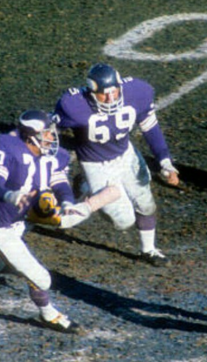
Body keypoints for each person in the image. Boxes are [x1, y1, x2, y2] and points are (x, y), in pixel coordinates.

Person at [53, 63, 180, 267]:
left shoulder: (136, 92)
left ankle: (148, 250)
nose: (111, 98)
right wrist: (56, 166)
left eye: (114, 92)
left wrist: (165, 161)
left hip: (126, 155)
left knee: (145, 203)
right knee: (123, 221)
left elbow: (150, 126)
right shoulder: (75, 105)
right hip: (96, 165)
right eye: (104, 94)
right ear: (92, 92)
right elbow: (52, 134)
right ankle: (85, 186)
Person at [0, 109, 81, 333]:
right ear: (31, 136)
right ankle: (49, 315)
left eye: (52, 132)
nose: (52, 137)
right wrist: (9, 195)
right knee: (42, 279)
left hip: (19, 224)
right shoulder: (6, 146)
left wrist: (67, 202)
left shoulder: (54, 156)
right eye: (46, 133)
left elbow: (60, 182)